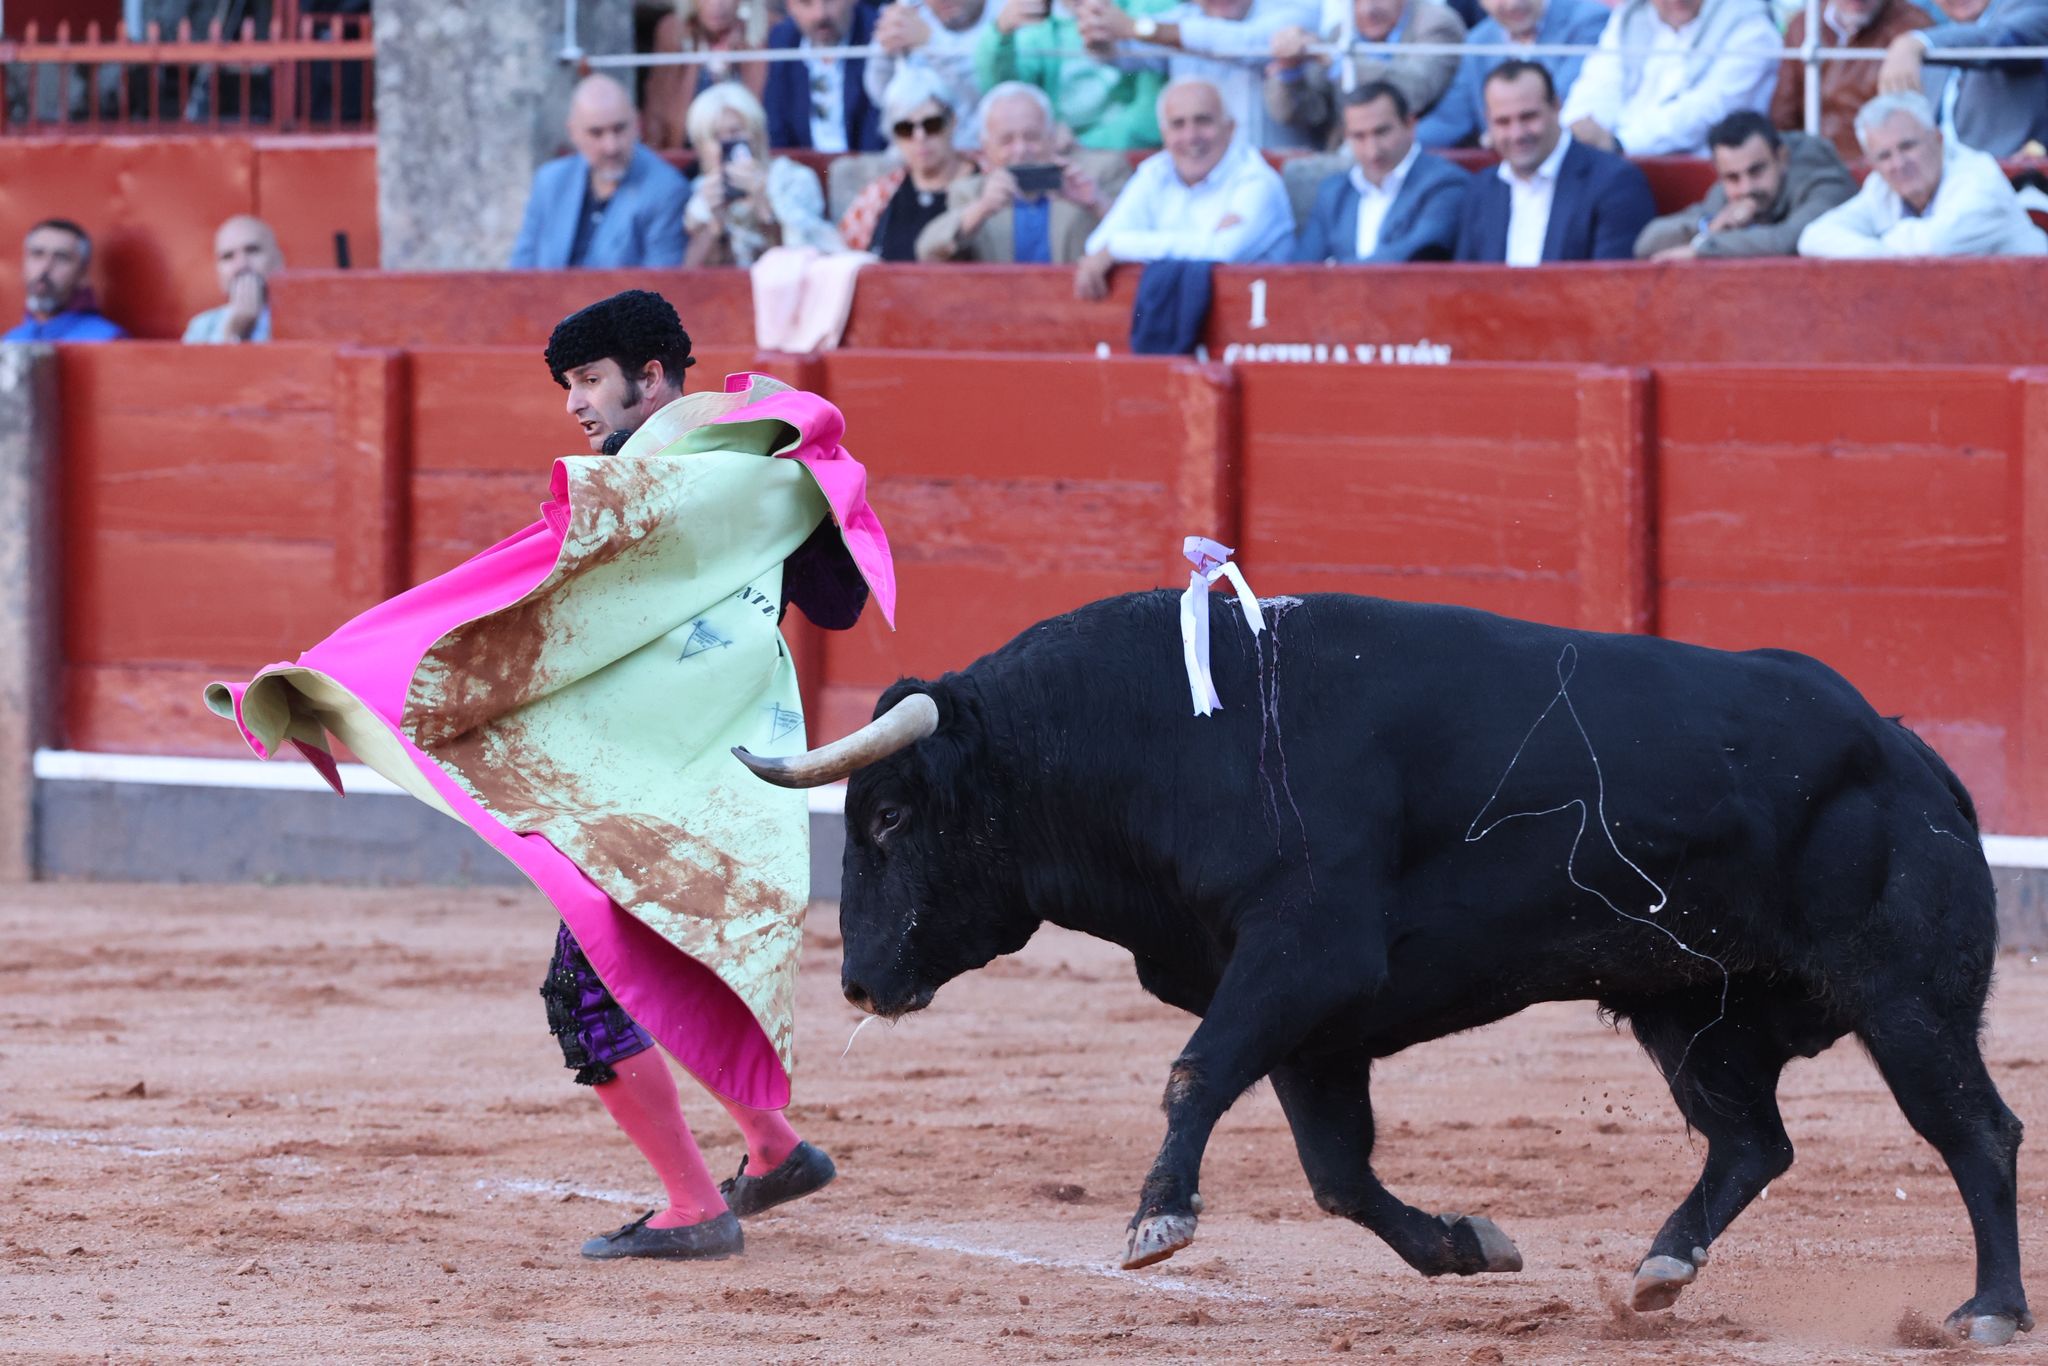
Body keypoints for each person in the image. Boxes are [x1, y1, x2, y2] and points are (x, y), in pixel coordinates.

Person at [206, 289, 898, 1260]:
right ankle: (772, 1147)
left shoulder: (704, 486)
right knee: (662, 957)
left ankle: (694, 1207)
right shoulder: (687, 481)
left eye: (589, 380)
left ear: (650, 377)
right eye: (568, 384)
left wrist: (806, 502)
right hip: (680, 768)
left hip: (664, 777)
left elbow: (829, 600)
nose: (575, 402)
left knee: (588, 989)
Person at [1076, 77, 1294, 297]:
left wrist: (1120, 247)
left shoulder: (1257, 179)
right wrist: (1204, 238)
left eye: (1203, 121)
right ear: (1164, 135)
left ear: (1230, 128)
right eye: (1178, 124)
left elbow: (1223, 250)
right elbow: (1099, 244)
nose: (1191, 136)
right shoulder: (1154, 172)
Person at [1798, 91, 2048, 256]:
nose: (1898, 163)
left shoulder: (1979, 178)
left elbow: (1934, 245)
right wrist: (1881, 250)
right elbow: (1814, 237)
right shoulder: (1881, 186)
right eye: (1884, 156)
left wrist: (1876, 246)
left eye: (1908, 146)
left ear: (1938, 139)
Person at [1454, 59, 1656, 263]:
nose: (1517, 134)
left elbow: (1614, 287)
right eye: (1503, 122)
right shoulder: (1480, 191)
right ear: (1487, 121)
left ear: (1556, 107)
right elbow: (1464, 285)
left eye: (1528, 117)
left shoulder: (1615, 182)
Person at [1075, 0, 1324, 149]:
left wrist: (1137, 28)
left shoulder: (1293, 8)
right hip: (1205, 177)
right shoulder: (1182, 19)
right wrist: (1098, 33)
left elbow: (1244, 43)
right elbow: (1123, 53)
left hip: (1279, 171)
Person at [509, 75, 690, 269]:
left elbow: (662, 284)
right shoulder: (550, 182)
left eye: (619, 129)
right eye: (596, 133)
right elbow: (521, 270)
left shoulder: (666, 189)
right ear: (573, 132)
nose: (610, 147)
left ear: (637, 123)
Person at [918, 82, 1113, 260]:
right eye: (1006, 141)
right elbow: (928, 253)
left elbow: (1136, 238)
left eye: (1031, 137)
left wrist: (1096, 203)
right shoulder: (971, 192)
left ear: (1052, 137)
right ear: (986, 147)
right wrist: (983, 208)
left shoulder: (1095, 176)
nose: (1020, 150)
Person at [1558, 0, 1780, 156]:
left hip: (1701, 170)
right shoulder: (1630, 15)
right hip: (1613, 157)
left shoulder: (1750, 24)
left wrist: (1618, 143)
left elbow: (1707, 111)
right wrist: (1576, 133)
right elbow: (1598, 84)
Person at [1634, 111, 1856, 259]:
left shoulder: (1822, 178)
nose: (1746, 188)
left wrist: (1702, 249)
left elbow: (1789, 241)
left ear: (1782, 158)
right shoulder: (1727, 193)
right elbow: (1646, 244)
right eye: (1732, 178)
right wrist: (1709, 227)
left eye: (1756, 171)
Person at [1294, 81, 1472, 261]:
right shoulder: (1332, 193)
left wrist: (1334, 270)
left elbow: (1417, 255)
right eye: (1359, 136)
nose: (1372, 150)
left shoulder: (1445, 184)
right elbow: (1302, 271)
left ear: (1410, 125)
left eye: (1381, 132)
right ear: (1346, 136)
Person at [975, 0, 1178, 149]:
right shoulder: (1036, 22)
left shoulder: (1146, 7)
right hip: (1056, 152)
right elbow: (1003, 96)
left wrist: (1083, 145)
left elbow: (1151, 114)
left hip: (1127, 153)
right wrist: (1001, 33)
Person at [1266, 0, 1468, 149]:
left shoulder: (1436, 23)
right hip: (1348, 159)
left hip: (1418, 158)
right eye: (1357, 0)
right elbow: (1306, 114)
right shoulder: (1341, 34)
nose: (1368, 9)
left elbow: (1414, 91)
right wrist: (1290, 70)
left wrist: (1339, 60)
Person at [681, 84, 842, 267]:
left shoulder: (793, 179)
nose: (726, 144)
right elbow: (691, 277)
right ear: (701, 147)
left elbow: (805, 261)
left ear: (758, 134)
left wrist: (765, 206)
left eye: (735, 132)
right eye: (715, 136)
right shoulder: (699, 193)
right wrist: (715, 224)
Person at [1414, 0, 1609, 148]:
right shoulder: (1477, 43)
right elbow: (1450, 119)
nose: (1512, 3)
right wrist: (1395, 142)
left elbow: (1562, 102)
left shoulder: (1589, 19)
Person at [1876, 0, 2048, 158]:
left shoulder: (2033, 10)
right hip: (1936, 181)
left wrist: (1916, 42)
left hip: (2012, 178)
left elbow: (1999, 39)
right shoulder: (1927, 44)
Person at [838, 68, 981, 258]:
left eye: (931, 124)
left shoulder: (988, 183)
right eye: (905, 128)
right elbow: (843, 261)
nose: (919, 137)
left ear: (952, 122)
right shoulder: (878, 196)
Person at [1768, 0, 1931, 160]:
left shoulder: (1911, 28)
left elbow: (1907, 130)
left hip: (1873, 166)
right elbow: (1782, 116)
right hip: (1808, 163)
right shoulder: (1803, 25)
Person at [864, 0, 997, 147]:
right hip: (914, 153)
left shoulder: (1008, 15)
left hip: (981, 153)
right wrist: (885, 47)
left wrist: (931, 43)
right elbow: (880, 95)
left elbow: (987, 95)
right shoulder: (912, 12)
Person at [642, 0, 771, 151]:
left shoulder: (765, 31)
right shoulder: (673, 32)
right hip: (687, 155)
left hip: (747, 153)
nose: (716, 4)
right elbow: (657, 107)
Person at [764, 0, 888, 152]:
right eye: (806, 3)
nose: (820, 15)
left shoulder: (880, 35)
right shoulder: (781, 41)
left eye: (830, 1)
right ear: (790, 6)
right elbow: (777, 130)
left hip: (868, 166)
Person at [5, 220, 123, 342]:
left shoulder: (106, 340)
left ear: (83, 275)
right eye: (37, 254)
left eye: (62, 257)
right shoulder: (11, 340)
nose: (45, 267)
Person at [184, 216, 282, 344]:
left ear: (278, 260)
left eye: (252, 250)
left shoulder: (303, 321)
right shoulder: (202, 327)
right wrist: (233, 332)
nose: (241, 265)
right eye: (228, 256)